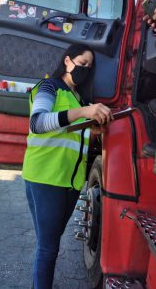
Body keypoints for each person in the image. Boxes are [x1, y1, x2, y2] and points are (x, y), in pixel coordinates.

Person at [22, 43, 113, 289]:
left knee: (49, 243)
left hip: (69, 182)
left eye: (89, 67)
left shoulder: (78, 97)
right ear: (67, 61)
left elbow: (73, 139)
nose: (85, 70)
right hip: (45, 177)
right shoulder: (49, 87)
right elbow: (38, 123)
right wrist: (85, 111)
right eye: (82, 64)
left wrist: (94, 130)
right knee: (48, 247)